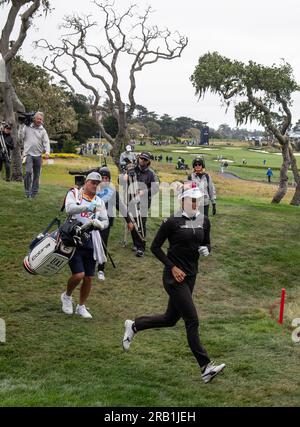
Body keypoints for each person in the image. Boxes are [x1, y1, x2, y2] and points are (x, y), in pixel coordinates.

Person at [122, 182, 226, 384]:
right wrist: (172, 267)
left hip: (191, 276)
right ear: (182, 200)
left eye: (198, 199)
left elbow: (206, 243)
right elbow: (155, 247)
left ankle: (134, 325)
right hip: (173, 278)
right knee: (192, 320)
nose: (196, 202)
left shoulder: (204, 221)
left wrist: (207, 249)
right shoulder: (172, 221)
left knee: (170, 319)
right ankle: (206, 367)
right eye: (192, 199)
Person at [61, 172, 109, 319]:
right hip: (74, 238)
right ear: (86, 182)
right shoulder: (75, 193)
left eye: (97, 183)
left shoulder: (99, 201)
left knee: (88, 277)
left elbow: (105, 220)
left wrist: (99, 224)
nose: (95, 186)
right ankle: (67, 296)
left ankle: (81, 306)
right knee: (78, 274)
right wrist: (86, 208)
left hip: (91, 240)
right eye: (92, 182)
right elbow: (69, 209)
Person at [96, 166, 134, 280]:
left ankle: (101, 269)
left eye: (106, 178)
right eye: (101, 178)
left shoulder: (112, 192)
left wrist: (129, 221)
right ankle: (90, 263)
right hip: (91, 221)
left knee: (103, 244)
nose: (104, 180)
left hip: (106, 222)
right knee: (90, 244)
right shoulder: (92, 189)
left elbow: (121, 207)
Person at [119, 151, 159, 257]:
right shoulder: (131, 169)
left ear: (148, 161)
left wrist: (144, 192)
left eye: (145, 159)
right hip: (131, 199)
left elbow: (155, 188)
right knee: (132, 221)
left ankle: (141, 246)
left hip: (144, 201)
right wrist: (124, 177)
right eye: (141, 158)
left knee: (141, 222)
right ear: (138, 158)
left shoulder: (151, 173)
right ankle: (136, 244)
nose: (142, 161)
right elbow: (121, 181)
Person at [20, 111, 50, 198]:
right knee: (28, 172)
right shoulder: (27, 127)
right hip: (28, 154)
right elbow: (21, 137)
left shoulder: (43, 130)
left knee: (37, 175)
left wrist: (47, 152)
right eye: (38, 119)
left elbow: (46, 142)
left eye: (41, 119)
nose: (39, 120)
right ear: (34, 119)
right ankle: (27, 191)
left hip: (38, 155)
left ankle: (34, 193)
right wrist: (23, 126)